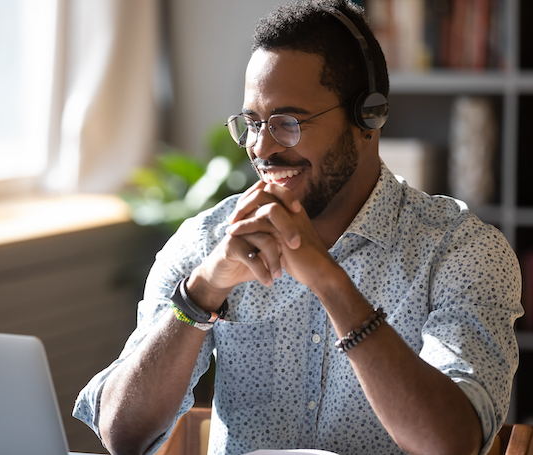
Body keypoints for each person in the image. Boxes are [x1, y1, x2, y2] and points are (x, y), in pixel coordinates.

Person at [73, 1, 524, 454]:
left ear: (368, 118)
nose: (261, 148)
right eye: (252, 123)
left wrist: (330, 282)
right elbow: (122, 437)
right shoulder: (209, 241)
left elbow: (452, 444)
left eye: (288, 123)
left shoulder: (462, 252)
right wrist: (202, 292)